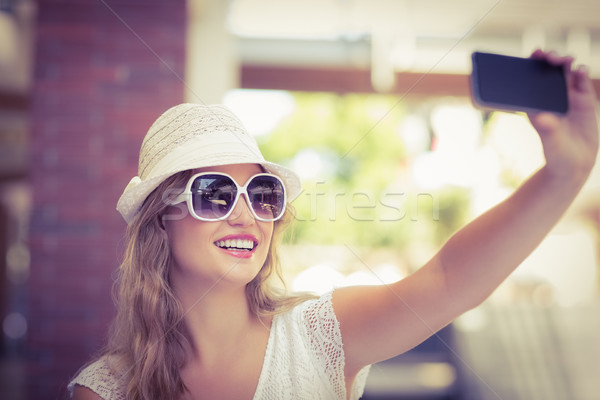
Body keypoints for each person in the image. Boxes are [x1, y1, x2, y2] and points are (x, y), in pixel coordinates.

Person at [69, 50, 598, 400]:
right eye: (214, 194)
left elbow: (448, 279)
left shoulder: (323, 334)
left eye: (263, 193)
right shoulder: (106, 390)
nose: (247, 213)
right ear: (161, 219)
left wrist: (565, 173)